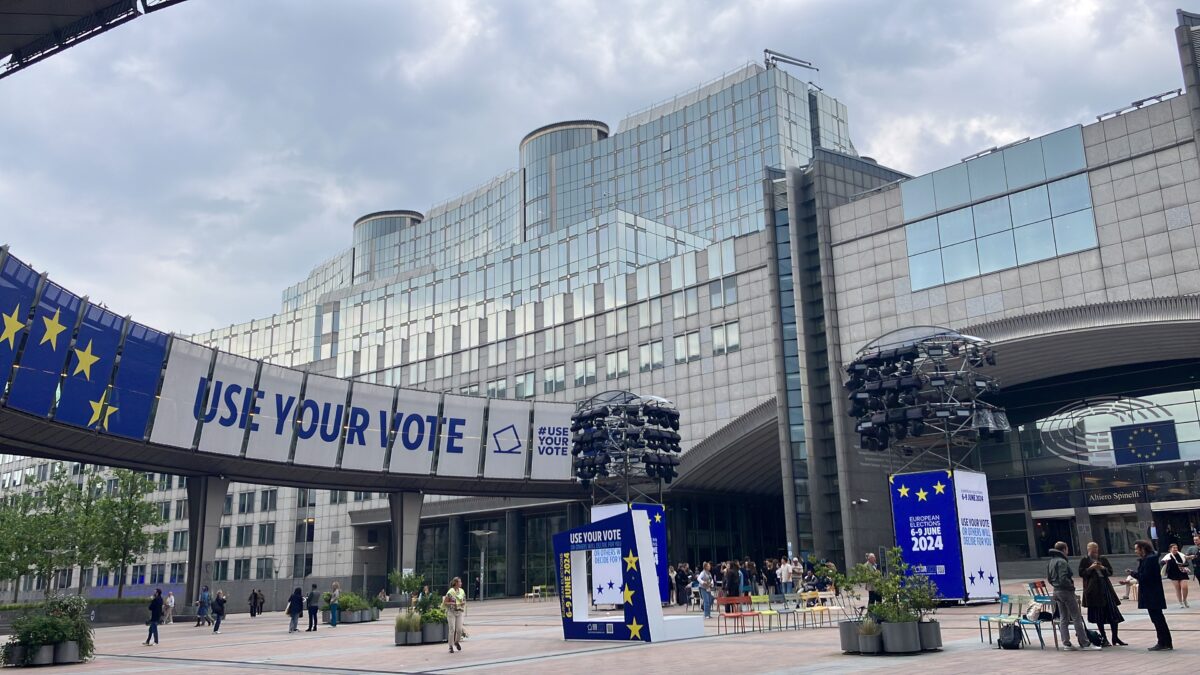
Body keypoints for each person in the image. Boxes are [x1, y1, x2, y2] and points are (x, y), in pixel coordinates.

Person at [1047, 541, 1100, 650]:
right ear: (1064, 549)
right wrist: (1070, 586)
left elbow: (1049, 578)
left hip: (1056, 591)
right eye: (1067, 549)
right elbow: (1063, 578)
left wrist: (1056, 585)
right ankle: (1084, 643)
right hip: (1065, 591)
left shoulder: (1051, 561)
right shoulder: (1062, 562)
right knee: (1076, 617)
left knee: (1063, 617)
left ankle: (1066, 643)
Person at [1128, 539, 1173, 651]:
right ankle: (1165, 642)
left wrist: (1133, 573)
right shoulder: (1149, 559)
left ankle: (1163, 642)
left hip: (1151, 593)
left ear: (1143, 549)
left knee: (1157, 619)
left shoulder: (1149, 560)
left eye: (1136, 549)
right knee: (1158, 618)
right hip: (1153, 593)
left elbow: (1145, 577)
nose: (1136, 551)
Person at [1079, 542, 1125, 646]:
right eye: (1092, 550)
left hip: (1105, 587)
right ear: (1088, 550)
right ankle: (1104, 637)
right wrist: (1091, 568)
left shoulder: (1102, 559)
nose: (1095, 552)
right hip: (1094, 590)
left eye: (1096, 550)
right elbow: (1082, 573)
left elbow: (1110, 571)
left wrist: (1103, 568)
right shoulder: (1085, 560)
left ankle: (1115, 637)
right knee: (1099, 616)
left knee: (1113, 614)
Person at [1161, 542, 1190, 608]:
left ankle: (1185, 600)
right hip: (1173, 573)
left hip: (1182, 572)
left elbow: (1187, 563)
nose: (1175, 549)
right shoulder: (1168, 556)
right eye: (1174, 548)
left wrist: (1181, 565)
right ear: (1170, 549)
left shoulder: (1181, 555)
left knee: (1184, 587)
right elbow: (1162, 563)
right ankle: (1180, 602)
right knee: (1178, 588)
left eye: (1176, 548)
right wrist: (1165, 562)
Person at [444, 577, 467, 653]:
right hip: (451, 612)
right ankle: (450, 646)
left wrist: (463, 603)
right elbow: (445, 602)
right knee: (452, 629)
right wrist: (453, 603)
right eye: (460, 582)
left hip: (459, 612)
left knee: (459, 629)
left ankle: (456, 642)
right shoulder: (450, 592)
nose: (461, 583)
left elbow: (464, 600)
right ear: (456, 583)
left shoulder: (462, 591)